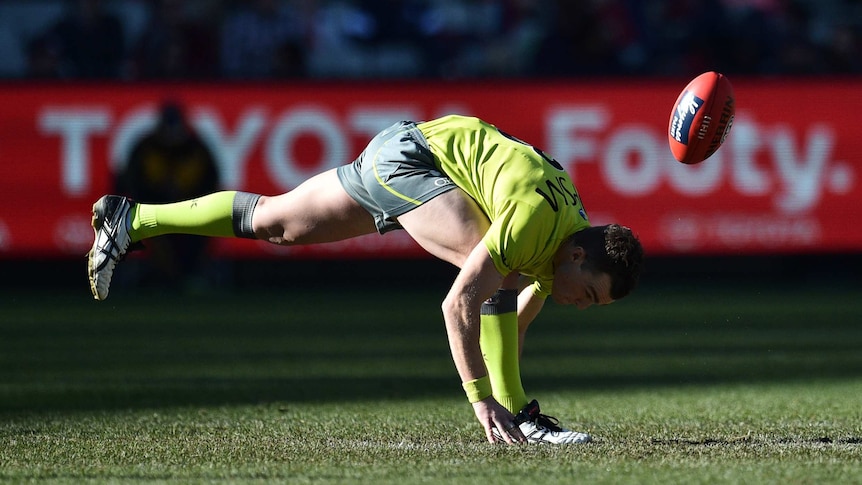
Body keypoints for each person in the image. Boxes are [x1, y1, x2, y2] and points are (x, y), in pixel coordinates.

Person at [88, 114, 643, 445]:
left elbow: (513, 325)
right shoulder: (535, 224)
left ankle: (132, 219)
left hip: (407, 146)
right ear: (576, 259)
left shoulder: (570, 238)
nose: (584, 307)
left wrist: (507, 378)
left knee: (274, 223)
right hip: (413, 161)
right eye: (590, 295)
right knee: (488, 271)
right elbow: (459, 307)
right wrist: (485, 400)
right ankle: (524, 420)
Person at [115, 101, 221, 292]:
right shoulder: (145, 148)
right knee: (157, 240)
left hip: (191, 211)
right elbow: (129, 182)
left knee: (195, 238)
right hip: (151, 210)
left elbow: (211, 182)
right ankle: (162, 279)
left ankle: (191, 277)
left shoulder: (196, 149)